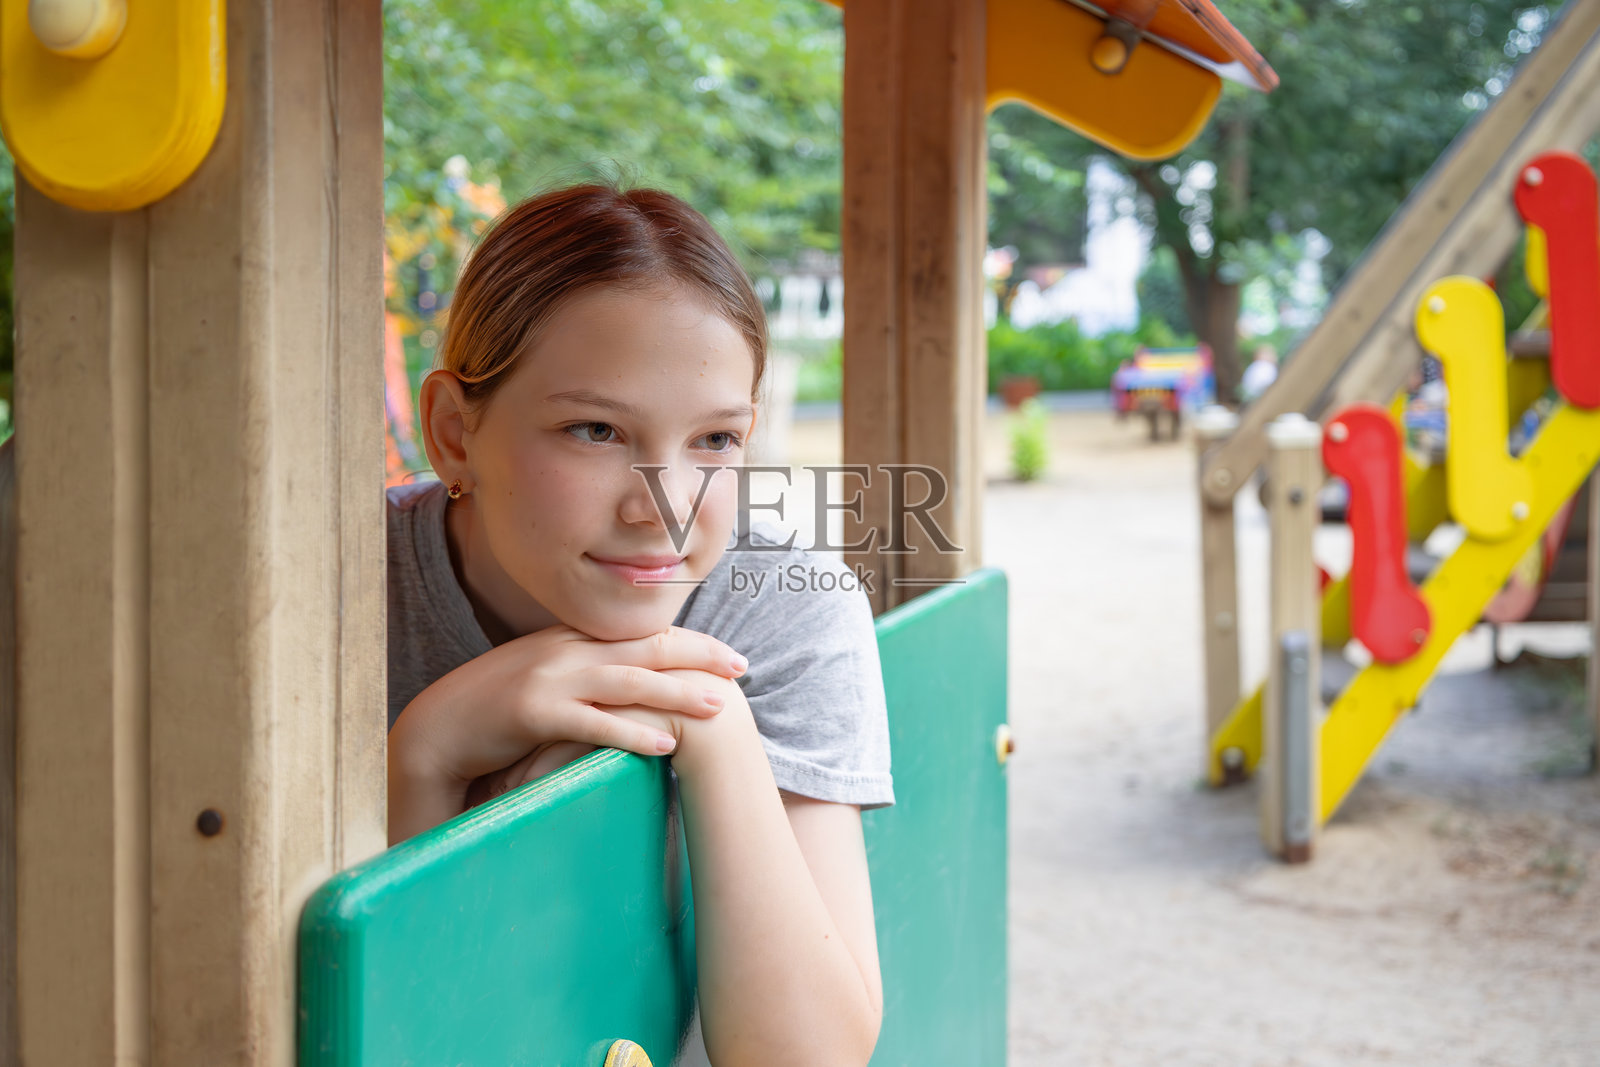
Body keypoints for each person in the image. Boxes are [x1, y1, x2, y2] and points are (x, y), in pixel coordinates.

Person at [385, 183, 891, 1066]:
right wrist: (428, 755)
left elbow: (806, 1057)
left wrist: (713, 723)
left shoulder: (781, 604)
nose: (665, 507)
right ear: (455, 433)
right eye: (596, 430)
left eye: (715, 441)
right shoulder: (337, 595)